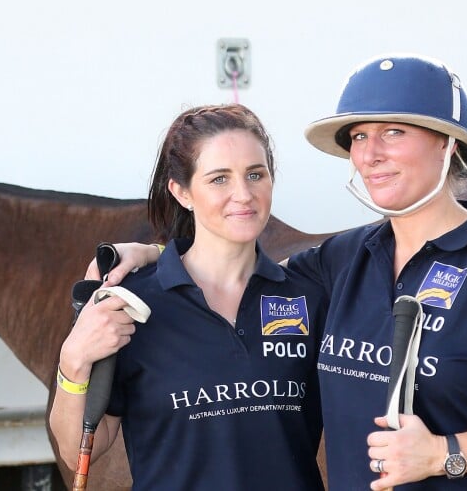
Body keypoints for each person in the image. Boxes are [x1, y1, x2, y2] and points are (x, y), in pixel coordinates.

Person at [90, 54, 467, 490]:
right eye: (359, 136)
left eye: (394, 132)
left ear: (447, 144)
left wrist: (444, 455)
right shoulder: (344, 260)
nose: (370, 154)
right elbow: (228, 268)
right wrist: (153, 254)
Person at [49, 104, 328, 491]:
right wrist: (73, 359)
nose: (243, 195)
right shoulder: (132, 304)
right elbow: (77, 450)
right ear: (182, 192)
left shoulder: (308, 295)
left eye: (255, 174)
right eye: (219, 179)